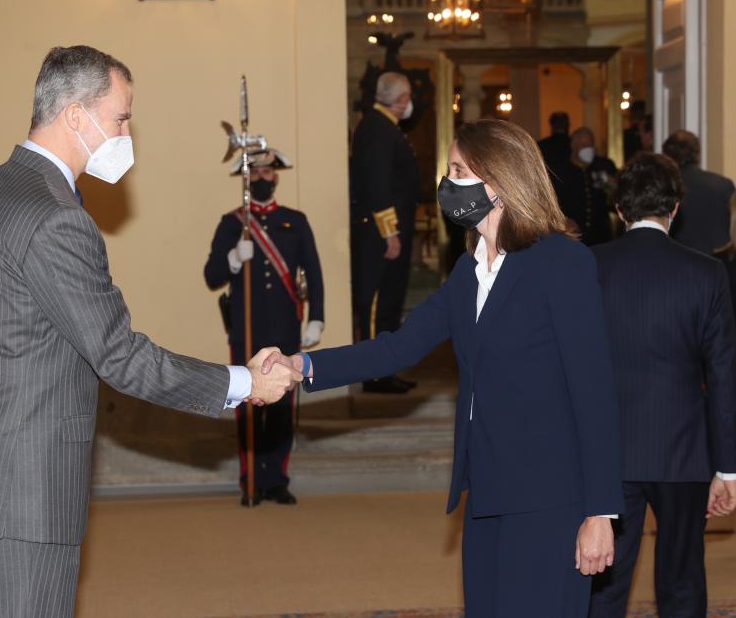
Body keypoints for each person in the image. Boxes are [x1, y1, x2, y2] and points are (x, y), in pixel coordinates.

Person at [0, 45, 301, 618]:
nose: (127, 133)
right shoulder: (56, 217)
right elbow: (120, 355)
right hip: (26, 490)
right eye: (121, 117)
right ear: (76, 115)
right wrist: (242, 382)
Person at [265, 119, 624, 617]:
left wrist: (599, 511)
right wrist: (301, 363)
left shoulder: (561, 262)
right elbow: (397, 347)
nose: (447, 184)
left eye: (458, 170)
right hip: (487, 490)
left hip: (551, 497)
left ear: (498, 181)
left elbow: (594, 391)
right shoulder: (468, 269)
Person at [588, 153, 736, 618]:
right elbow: (724, 376)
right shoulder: (708, 274)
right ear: (675, 208)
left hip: (607, 451)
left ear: (620, 210)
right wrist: (728, 469)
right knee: (682, 580)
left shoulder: (588, 267)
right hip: (684, 450)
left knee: (605, 582)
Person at [204, 150, 324, 506]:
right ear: (246, 178)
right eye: (253, 172)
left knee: (283, 406)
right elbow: (212, 276)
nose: (260, 177)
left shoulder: (295, 221)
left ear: (276, 177)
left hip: (286, 328)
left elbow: (314, 273)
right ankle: (251, 479)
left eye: (266, 171)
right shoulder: (233, 223)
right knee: (248, 404)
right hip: (247, 330)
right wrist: (232, 260)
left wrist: (317, 317)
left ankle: (277, 479)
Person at [349, 71, 420, 394]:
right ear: (401, 99)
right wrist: (390, 234)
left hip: (388, 234)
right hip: (380, 237)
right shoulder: (378, 129)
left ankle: (384, 370)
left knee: (390, 302)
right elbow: (378, 188)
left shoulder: (384, 127)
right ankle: (374, 373)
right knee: (378, 304)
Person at [662, 130, 736, 258]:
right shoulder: (724, 185)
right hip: (720, 263)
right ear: (697, 155)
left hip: (678, 262)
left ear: (668, 156)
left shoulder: (665, 186)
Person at [552, 127, 617, 246]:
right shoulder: (560, 171)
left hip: (601, 236)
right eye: (584, 145)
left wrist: (612, 186)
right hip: (572, 237)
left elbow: (616, 198)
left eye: (590, 145)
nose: (588, 149)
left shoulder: (604, 166)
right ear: (573, 145)